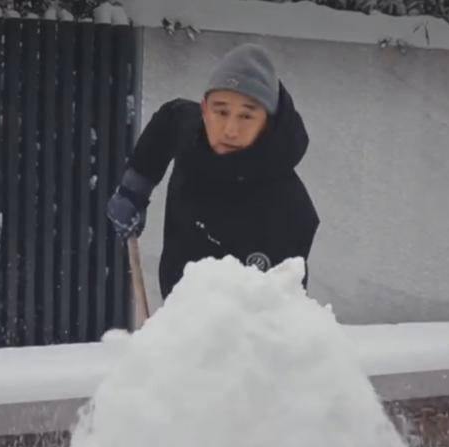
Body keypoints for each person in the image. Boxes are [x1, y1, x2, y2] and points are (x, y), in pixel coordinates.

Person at [107, 42, 319, 299]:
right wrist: (134, 189)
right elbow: (169, 119)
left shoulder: (289, 211)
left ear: (268, 123)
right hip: (176, 309)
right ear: (205, 110)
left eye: (246, 116)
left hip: (235, 331)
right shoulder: (191, 132)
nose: (230, 129)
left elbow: (278, 316)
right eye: (221, 111)